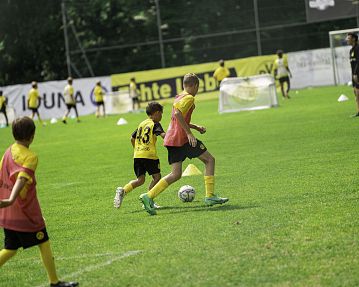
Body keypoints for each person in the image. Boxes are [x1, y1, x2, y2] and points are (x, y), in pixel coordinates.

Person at [0, 117, 78, 287]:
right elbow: (21, 179)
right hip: (24, 212)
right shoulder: (30, 157)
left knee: (10, 249)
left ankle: (54, 281)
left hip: (7, 212)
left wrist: (5, 201)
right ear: (32, 136)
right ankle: (54, 281)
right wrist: (11, 199)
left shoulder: (8, 151)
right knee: (43, 241)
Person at [139, 73, 229, 216]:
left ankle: (148, 196)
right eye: (198, 87)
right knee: (210, 160)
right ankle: (210, 196)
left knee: (175, 174)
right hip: (182, 139)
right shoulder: (189, 98)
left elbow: (176, 117)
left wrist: (195, 127)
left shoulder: (180, 96)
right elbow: (178, 115)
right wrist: (189, 133)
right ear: (195, 86)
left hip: (171, 139)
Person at [114, 102, 165, 209]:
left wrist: (137, 149)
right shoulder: (155, 124)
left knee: (140, 180)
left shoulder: (142, 124)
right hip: (149, 156)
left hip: (137, 155)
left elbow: (132, 138)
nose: (161, 116)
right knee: (157, 177)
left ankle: (123, 190)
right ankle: (149, 199)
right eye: (161, 113)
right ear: (156, 113)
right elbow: (162, 135)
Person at [346, 32, 359, 117]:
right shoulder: (351, 50)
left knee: (358, 93)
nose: (347, 40)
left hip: (357, 74)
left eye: (348, 38)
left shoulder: (358, 48)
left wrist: (356, 73)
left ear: (353, 39)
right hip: (354, 75)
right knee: (355, 93)